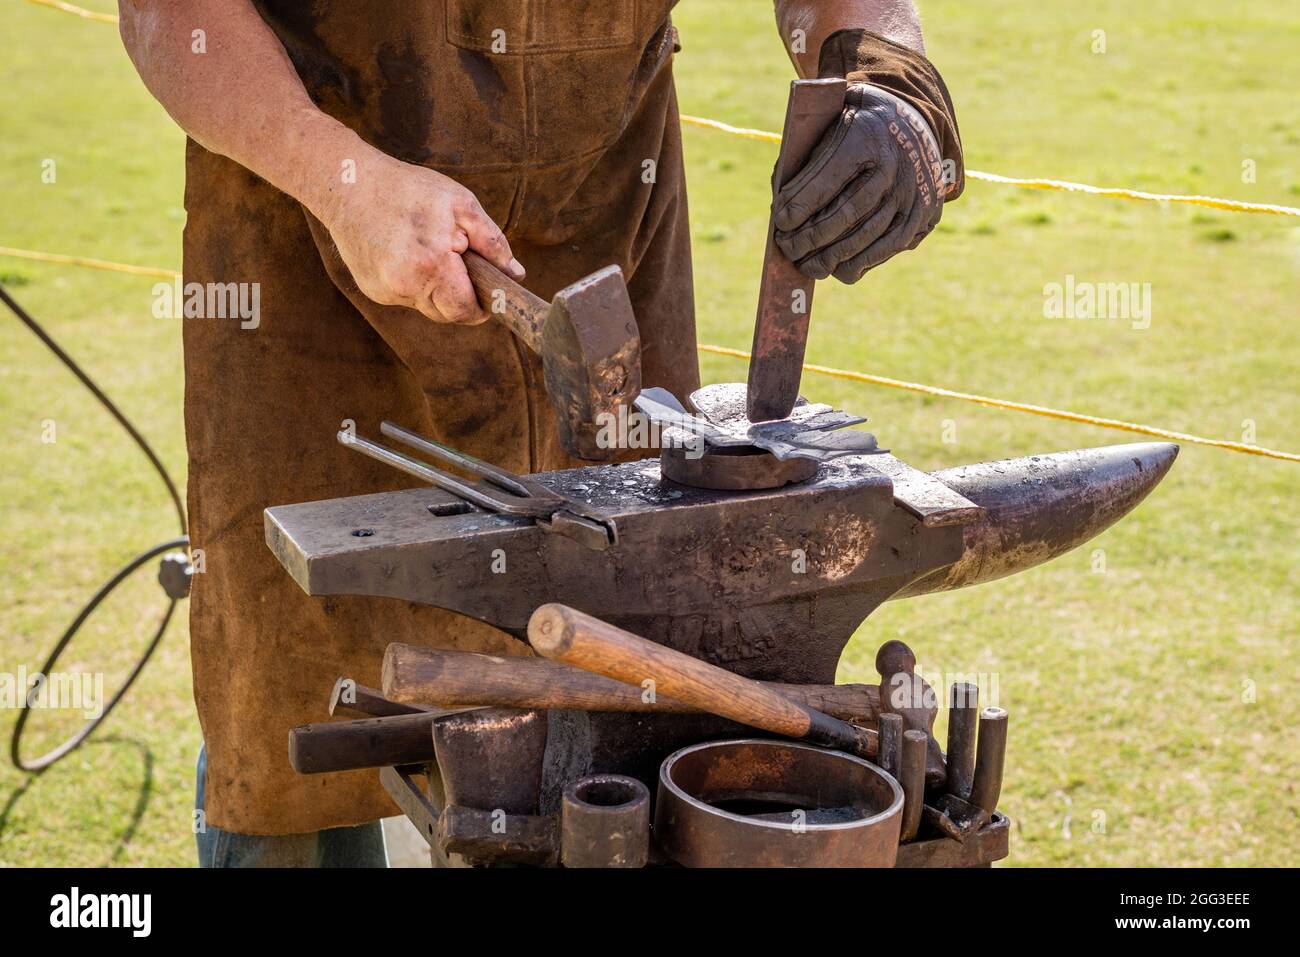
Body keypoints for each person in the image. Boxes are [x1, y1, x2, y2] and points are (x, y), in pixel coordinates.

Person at [119, 0, 964, 866]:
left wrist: (894, 88)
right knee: (301, 741)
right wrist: (341, 180)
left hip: (611, 238)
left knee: (629, 738)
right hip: (312, 245)